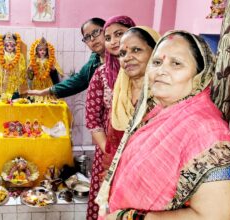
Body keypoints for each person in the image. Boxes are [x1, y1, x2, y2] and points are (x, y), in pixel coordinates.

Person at [96, 31, 230, 220]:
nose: (161, 71)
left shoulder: (206, 131)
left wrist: (130, 217)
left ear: (200, 73)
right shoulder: (156, 113)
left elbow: (216, 216)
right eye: (156, 62)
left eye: (176, 63)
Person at [85, 16, 136, 220]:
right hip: (109, 151)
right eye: (108, 37)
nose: (114, 41)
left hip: (138, 151)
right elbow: (92, 121)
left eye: (119, 34)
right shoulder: (101, 74)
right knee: (105, 202)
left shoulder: (149, 72)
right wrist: (112, 154)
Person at [27, 17, 106, 98]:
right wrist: (42, 92)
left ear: (107, 30)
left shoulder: (117, 56)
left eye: (96, 32)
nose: (92, 39)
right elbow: (79, 80)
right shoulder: (95, 58)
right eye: (87, 37)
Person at [0, 32, 27, 97]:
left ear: (15, 46)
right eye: (7, 46)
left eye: (12, 46)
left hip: (14, 79)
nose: (9, 48)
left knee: (14, 94)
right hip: (4, 78)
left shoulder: (18, 56)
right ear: (4, 46)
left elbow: (21, 67)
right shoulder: (2, 54)